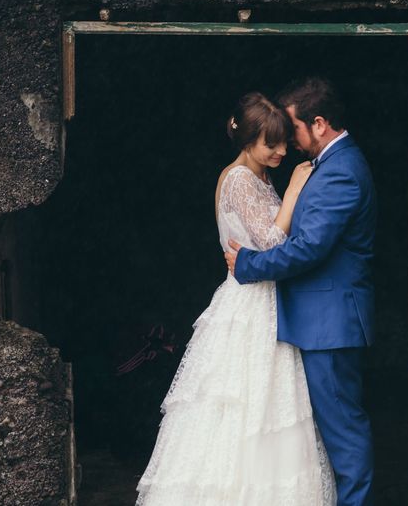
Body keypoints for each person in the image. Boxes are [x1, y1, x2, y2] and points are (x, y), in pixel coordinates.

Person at [135, 92, 336, 505]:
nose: (282, 150)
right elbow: (272, 239)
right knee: (241, 405)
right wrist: (296, 187)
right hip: (249, 305)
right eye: (272, 143)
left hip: (266, 299)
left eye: (283, 140)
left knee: (272, 405)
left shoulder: (260, 175)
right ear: (247, 139)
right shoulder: (240, 179)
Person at [225, 77, 377, 506]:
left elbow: (310, 247)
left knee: (343, 430)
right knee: (330, 429)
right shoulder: (329, 166)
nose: (289, 141)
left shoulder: (342, 171)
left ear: (320, 123)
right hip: (318, 322)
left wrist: (248, 264)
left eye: (294, 130)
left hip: (330, 323)